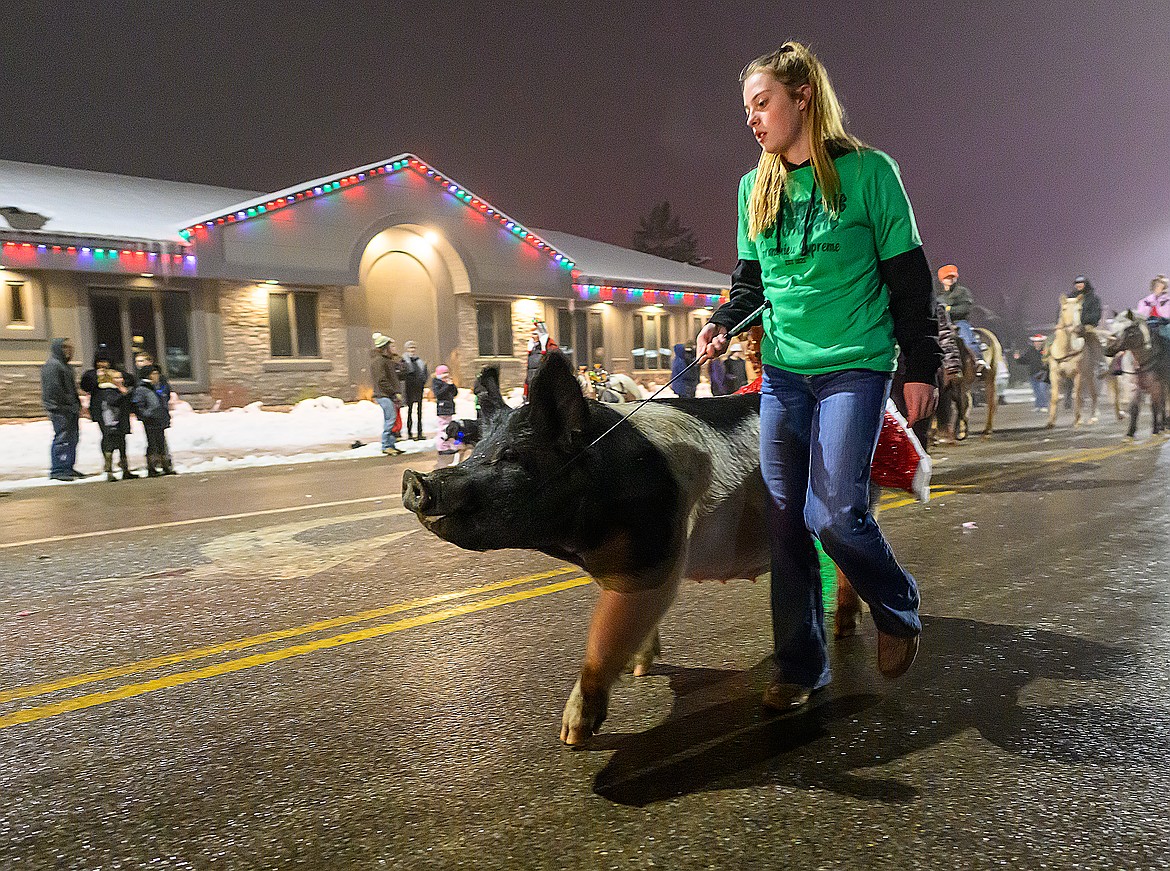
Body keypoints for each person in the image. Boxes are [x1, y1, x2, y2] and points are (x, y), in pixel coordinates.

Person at [696, 41, 941, 712]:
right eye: (746, 107)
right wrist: (723, 322)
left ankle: (897, 605)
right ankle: (801, 664)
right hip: (783, 374)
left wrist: (922, 363)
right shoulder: (754, 187)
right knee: (784, 523)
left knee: (831, 512)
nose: (751, 118)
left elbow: (909, 279)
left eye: (761, 102)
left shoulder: (869, 174)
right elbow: (751, 283)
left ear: (801, 97)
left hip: (855, 368)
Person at [41, 337, 83, 481]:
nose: (68, 350)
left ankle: (68, 467)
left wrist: (76, 404)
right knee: (63, 438)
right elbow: (54, 390)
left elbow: (71, 389)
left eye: (70, 347)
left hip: (70, 408)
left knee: (72, 438)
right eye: (64, 347)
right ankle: (58, 469)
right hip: (60, 409)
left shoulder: (66, 366)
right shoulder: (53, 365)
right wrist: (67, 403)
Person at [937, 264, 984, 375]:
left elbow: (965, 308)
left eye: (952, 277)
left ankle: (978, 359)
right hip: (944, 324)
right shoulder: (939, 297)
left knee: (966, 337)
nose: (950, 279)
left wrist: (948, 310)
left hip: (959, 321)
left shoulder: (962, 292)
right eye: (947, 277)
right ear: (941, 279)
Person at [132, 365, 176, 475]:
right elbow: (138, 405)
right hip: (150, 420)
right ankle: (151, 467)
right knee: (152, 443)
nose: (157, 376)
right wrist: (147, 414)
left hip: (159, 418)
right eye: (154, 373)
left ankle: (165, 465)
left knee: (161, 442)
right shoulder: (142, 389)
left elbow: (163, 401)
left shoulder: (156, 387)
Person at [96, 369, 138, 481]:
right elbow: (113, 401)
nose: (121, 380)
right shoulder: (107, 390)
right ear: (110, 379)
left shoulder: (118, 390)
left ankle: (125, 470)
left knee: (122, 446)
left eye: (121, 377)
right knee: (110, 446)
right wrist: (126, 394)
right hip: (112, 422)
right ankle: (109, 472)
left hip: (121, 421)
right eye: (117, 378)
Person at [371, 332, 404, 455]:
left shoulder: (387, 360)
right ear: (385, 348)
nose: (393, 348)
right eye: (391, 346)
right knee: (390, 420)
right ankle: (386, 445)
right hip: (384, 395)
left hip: (388, 395)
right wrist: (394, 393)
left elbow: (394, 376)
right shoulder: (380, 361)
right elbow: (382, 380)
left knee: (391, 419)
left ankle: (391, 445)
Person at [399, 340, 429, 441]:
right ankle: (409, 433)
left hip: (418, 389)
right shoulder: (404, 361)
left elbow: (425, 374)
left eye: (413, 348)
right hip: (409, 389)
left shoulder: (420, 362)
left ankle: (420, 432)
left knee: (419, 412)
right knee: (409, 412)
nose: (412, 350)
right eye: (410, 348)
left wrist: (422, 382)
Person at [432, 365, 459, 467]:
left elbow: (455, 393)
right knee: (442, 428)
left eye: (447, 373)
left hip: (449, 408)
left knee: (448, 428)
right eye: (443, 373)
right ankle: (441, 447)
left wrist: (452, 385)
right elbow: (439, 394)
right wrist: (446, 385)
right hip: (442, 408)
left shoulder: (447, 383)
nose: (446, 375)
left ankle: (448, 446)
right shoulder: (437, 383)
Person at [1014, 333, 1050, 412]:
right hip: (1033, 373)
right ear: (1033, 343)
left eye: (1039, 341)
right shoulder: (1030, 351)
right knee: (1036, 391)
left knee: (1042, 390)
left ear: (1042, 342)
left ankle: (1044, 405)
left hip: (1043, 373)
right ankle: (1038, 405)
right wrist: (1018, 359)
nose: (1037, 343)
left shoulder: (1046, 350)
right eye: (1036, 342)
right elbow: (1025, 361)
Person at [524, 321, 558, 400]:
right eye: (532, 334)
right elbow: (529, 373)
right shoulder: (532, 351)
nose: (532, 336)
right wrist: (526, 391)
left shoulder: (551, 348)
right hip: (532, 389)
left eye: (535, 334)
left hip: (545, 389)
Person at [1138, 275, 1170, 347]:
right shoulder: (1144, 301)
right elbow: (1141, 315)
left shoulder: (1167, 301)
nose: (1158, 288)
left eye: (1161, 286)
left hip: (1162, 325)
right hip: (1148, 324)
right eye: (1157, 286)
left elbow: (1166, 315)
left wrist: (1158, 303)